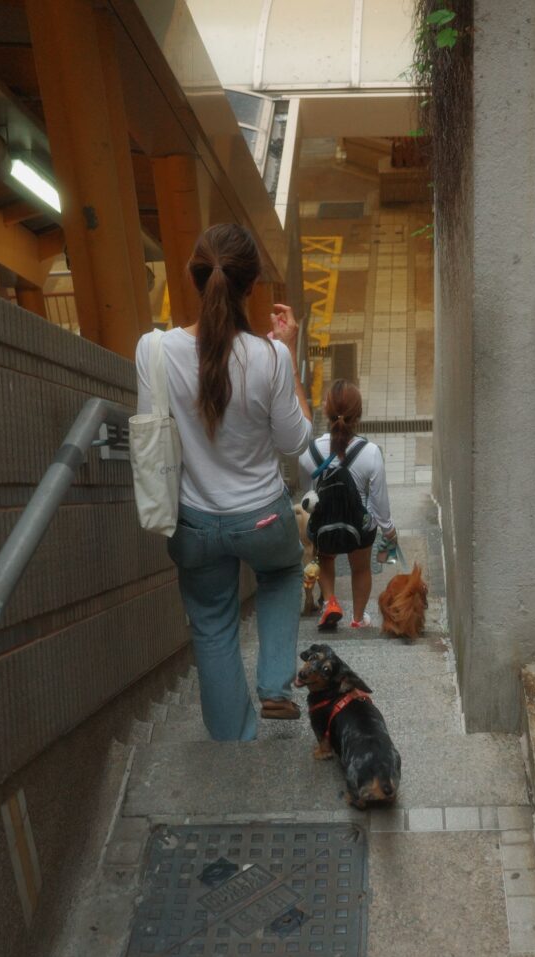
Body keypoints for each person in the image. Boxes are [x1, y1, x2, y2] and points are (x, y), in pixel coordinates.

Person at [135, 223, 312, 741]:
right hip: (262, 516)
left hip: (193, 522)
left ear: (194, 279)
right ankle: (276, 684)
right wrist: (290, 357)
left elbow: (152, 432)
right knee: (283, 573)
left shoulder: (154, 350)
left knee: (212, 626)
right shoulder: (270, 357)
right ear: (251, 286)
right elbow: (295, 442)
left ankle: (232, 744)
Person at [299, 379, 397, 629]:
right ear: (359, 414)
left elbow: (308, 495)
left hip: (325, 524)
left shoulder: (310, 452)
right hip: (359, 529)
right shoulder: (371, 452)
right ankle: (358, 619)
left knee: (326, 559)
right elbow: (379, 502)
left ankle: (330, 602)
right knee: (361, 568)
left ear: (326, 410)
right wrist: (389, 530)